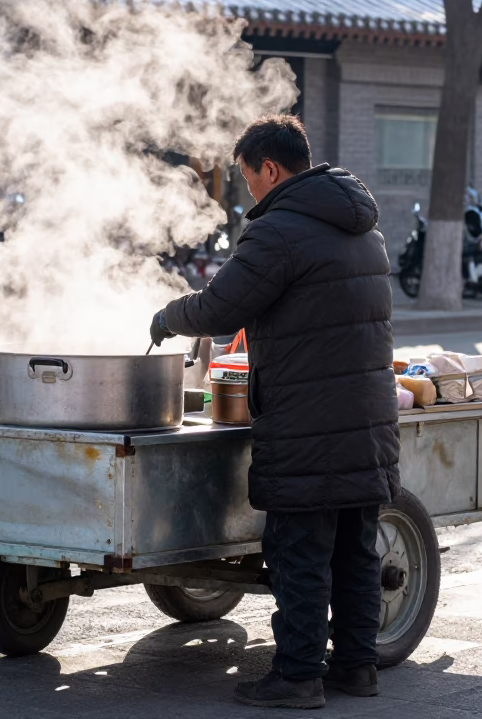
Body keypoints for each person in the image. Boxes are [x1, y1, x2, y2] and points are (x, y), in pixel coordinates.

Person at [148, 115, 399, 710]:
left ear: (270, 168)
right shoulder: (363, 227)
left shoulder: (280, 230)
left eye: (246, 177)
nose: (248, 191)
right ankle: (357, 668)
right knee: (354, 553)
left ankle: (296, 677)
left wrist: (167, 316)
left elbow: (220, 308)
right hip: (366, 419)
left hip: (307, 421)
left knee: (300, 555)